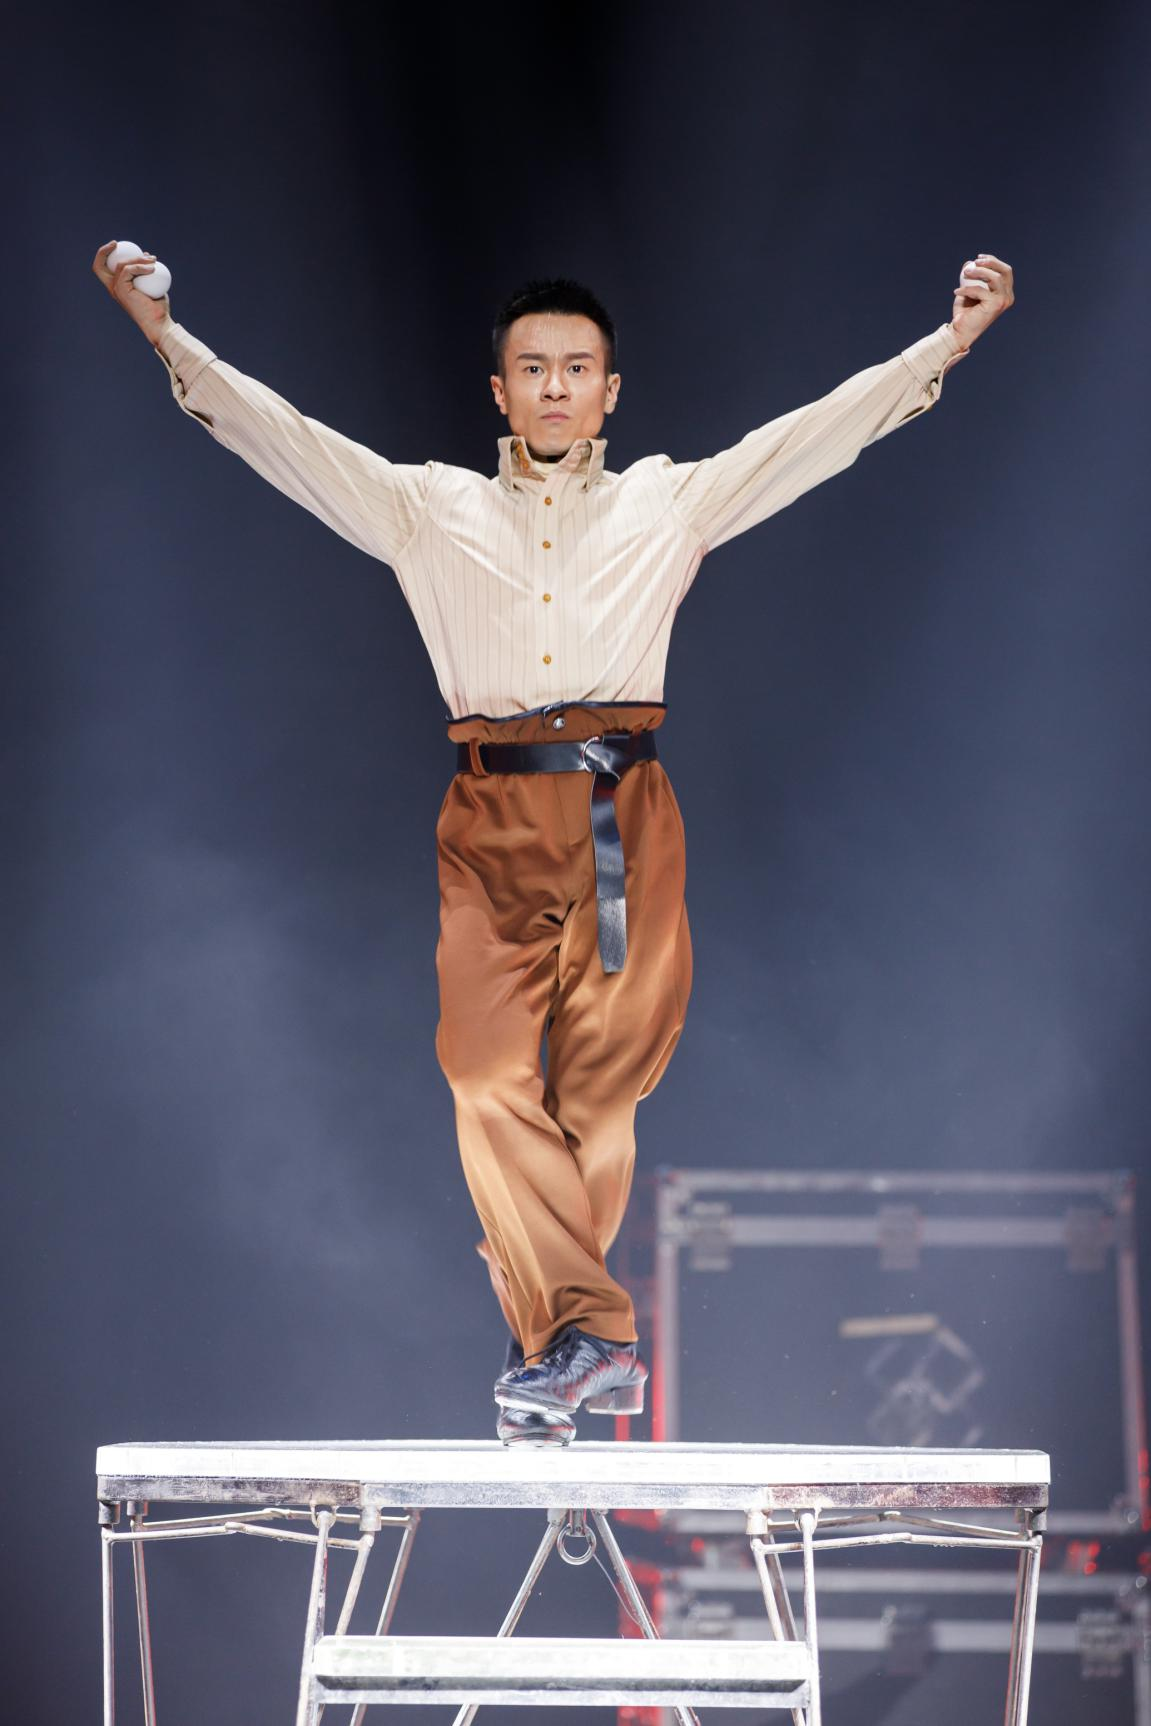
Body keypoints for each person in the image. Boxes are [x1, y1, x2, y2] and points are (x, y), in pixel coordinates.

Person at [92, 241, 1014, 1448]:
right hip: (489, 823)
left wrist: (946, 344)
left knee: (596, 1103)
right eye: (533, 369)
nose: (555, 388)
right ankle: (586, 1335)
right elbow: (290, 443)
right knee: (482, 1077)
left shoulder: (666, 502)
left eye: (577, 368)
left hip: (622, 819)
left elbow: (812, 438)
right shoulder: (428, 507)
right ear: (500, 389)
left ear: (609, 391)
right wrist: (166, 338)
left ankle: (561, 1344)